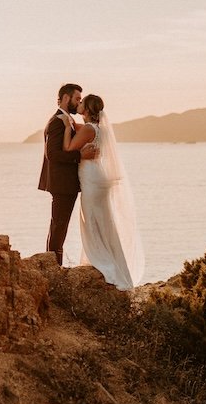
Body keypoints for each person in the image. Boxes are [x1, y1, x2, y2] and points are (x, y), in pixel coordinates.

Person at [58, 94, 144, 289]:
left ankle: (102, 261)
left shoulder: (89, 129)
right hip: (97, 177)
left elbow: (68, 147)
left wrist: (65, 127)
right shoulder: (99, 129)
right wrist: (72, 123)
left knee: (91, 219)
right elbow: (79, 130)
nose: (78, 104)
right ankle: (108, 258)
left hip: (91, 179)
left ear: (87, 110)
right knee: (103, 221)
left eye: (81, 103)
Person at [37, 83, 97, 265]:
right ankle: (54, 265)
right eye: (77, 98)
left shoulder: (67, 120)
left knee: (59, 225)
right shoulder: (57, 121)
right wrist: (80, 155)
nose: (78, 102)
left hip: (66, 182)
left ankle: (53, 263)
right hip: (61, 183)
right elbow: (52, 154)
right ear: (65, 98)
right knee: (59, 225)